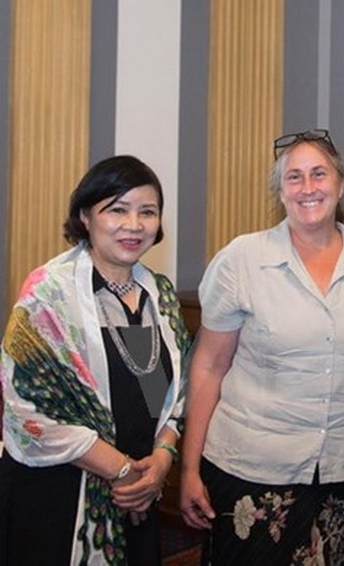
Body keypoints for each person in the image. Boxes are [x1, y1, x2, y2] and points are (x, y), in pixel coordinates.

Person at [179, 129, 344, 566]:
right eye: (294, 177)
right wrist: (189, 468)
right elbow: (208, 366)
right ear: (280, 190)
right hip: (249, 470)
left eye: (319, 174)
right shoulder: (242, 259)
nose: (308, 187)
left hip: (338, 473)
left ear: (342, 183)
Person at [0, 155, 190, 565]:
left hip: (139, 493)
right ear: (86, 216)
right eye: (117, 210)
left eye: (147, 212)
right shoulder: (49, 294)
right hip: (58, 494)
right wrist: (122, 470)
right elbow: (26, 409)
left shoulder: (156, 295)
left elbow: (164, 397)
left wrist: (160, 462)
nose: (134, 225)